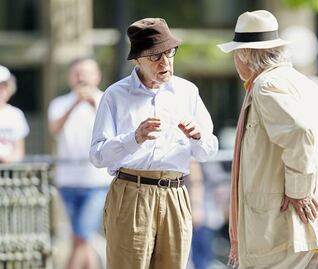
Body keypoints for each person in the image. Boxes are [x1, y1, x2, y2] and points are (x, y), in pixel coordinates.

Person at [217, 10, 318, 269]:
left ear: (244, 55)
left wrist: (301, 190)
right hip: (310, 226)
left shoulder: (265, 85)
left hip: (283, 227)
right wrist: (316, 180)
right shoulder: (300, 82)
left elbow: (299, 132)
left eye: (235, 54)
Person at [89, 18, 218, 269]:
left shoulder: (187, 91)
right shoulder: (115, 95)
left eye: (169, 53)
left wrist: (198, 136)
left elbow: (207, 151)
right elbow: (97, 155)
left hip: (176, 192)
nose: (165, 62)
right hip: (131, 192)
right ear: (138, 59)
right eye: (155, 56)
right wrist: (133, 138)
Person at [48, 57, 112, 269]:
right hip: (68, 181)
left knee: (82, 237)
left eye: (86, 72)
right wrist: (75, 103)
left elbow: (113, 135)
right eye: (77, 73)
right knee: (82, 239)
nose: (82, 78)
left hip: (96, 181)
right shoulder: (59, 103)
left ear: (97, 76)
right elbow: (55, 130)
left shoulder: (107, 101)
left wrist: (95, 107)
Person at [0, 65, 29, 163]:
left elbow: (19, 152)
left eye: (3, 86)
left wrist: (6, 159)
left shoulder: (16, 115)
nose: (1, 90)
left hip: (10, 173)